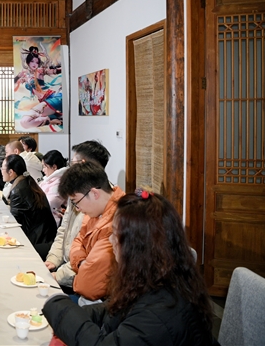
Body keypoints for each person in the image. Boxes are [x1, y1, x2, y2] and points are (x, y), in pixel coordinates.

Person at [43, 191, 216, 346]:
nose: (111, 240)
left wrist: (59, 307)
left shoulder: (160, 311)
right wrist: (73, 314)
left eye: (115, 234)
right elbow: (114, 311)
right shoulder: (157, 276)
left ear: (137, 246)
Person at [44, 140, 111, 293]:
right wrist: (53, 258)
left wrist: (59, 275)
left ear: (82, 164)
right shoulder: (80, 193)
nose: (78, 207)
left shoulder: (99, 202)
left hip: (80, 280)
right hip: (67, 267)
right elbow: (65, 231)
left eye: (72, 163)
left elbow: (90, 259)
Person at [57, 162, 125, 305]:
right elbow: (77, 241)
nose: (77, 208)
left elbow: (87, 286)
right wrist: (83, 263)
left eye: (76, 202)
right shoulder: (97, 210)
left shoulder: (118, 221)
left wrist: (81, 266)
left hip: (104, 302)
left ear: (94, 193)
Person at [2, 154, 57, 259]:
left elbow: (14, 222)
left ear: (11, 172)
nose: (1, 171)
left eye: (2, 168)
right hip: (47, 235)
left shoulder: (18, 190)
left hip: (39, 240)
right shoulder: (27, 180)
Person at [38, 150, 68, 224]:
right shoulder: (49, 179)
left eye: (45, 167)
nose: (43, 170)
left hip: (51, 221)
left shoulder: (60, 182)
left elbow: (50, 203)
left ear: (54, 167)